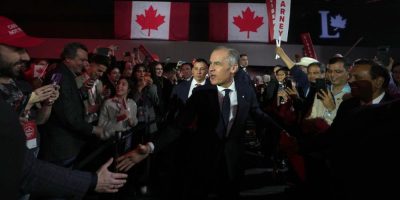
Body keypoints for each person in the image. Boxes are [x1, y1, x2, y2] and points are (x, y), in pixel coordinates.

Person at [116, 46, 284, 200]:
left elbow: (258, 114)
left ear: (233, 68)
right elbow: (177, 125)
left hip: (233, 162)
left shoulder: (246, 91)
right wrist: (151, 147)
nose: (210, 68)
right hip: (202, 161)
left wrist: (283, 133)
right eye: (211, 63)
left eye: (217, 64)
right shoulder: (200, 93)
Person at [0, 16, 127, 199]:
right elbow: (24, 170)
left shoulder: (21, 85)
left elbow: (40, 119)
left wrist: (46, 104)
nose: (26, 56)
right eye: (16, 48)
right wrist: (91, 180)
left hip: (33, 165)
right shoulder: (58, 74)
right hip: (49, 156)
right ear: (68, 59)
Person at [39, 42, 104, 168]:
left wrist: (81, 91)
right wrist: (93, 130)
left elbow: (65, 99)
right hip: (60, 148)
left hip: (65, 145)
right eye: (82, 60)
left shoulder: (65, 75)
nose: (86, 64)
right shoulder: (59, 76)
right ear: (68, 58)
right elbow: (66, 114)